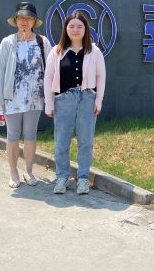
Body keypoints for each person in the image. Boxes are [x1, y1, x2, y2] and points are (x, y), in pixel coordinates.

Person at [44, 11, 106, 195]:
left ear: (86, 29)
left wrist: (99, 100)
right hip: (63, 100)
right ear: (65, 29)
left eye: (80, 26)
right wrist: (49, 103)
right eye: (71, 26)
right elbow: (48, 78)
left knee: (85, 142)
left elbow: (101, 76)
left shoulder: (94, 51)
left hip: (87, 99)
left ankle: (83, 179)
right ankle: (62, 177)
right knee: (61, 142)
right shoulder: (57, 51)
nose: (75, 29)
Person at [0, 2, 52, 188]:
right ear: (16, 20)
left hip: (35, 97)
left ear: (34, 21)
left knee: (30, 134)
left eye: (28, 18)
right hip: (12, 97)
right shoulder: (8, 42)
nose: (24, 21)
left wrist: (50, 97)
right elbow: (1, 72)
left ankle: (29, 170)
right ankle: (13, 171)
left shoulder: (42, 42)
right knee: (12, 135)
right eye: (21, 18)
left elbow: (50, 71)